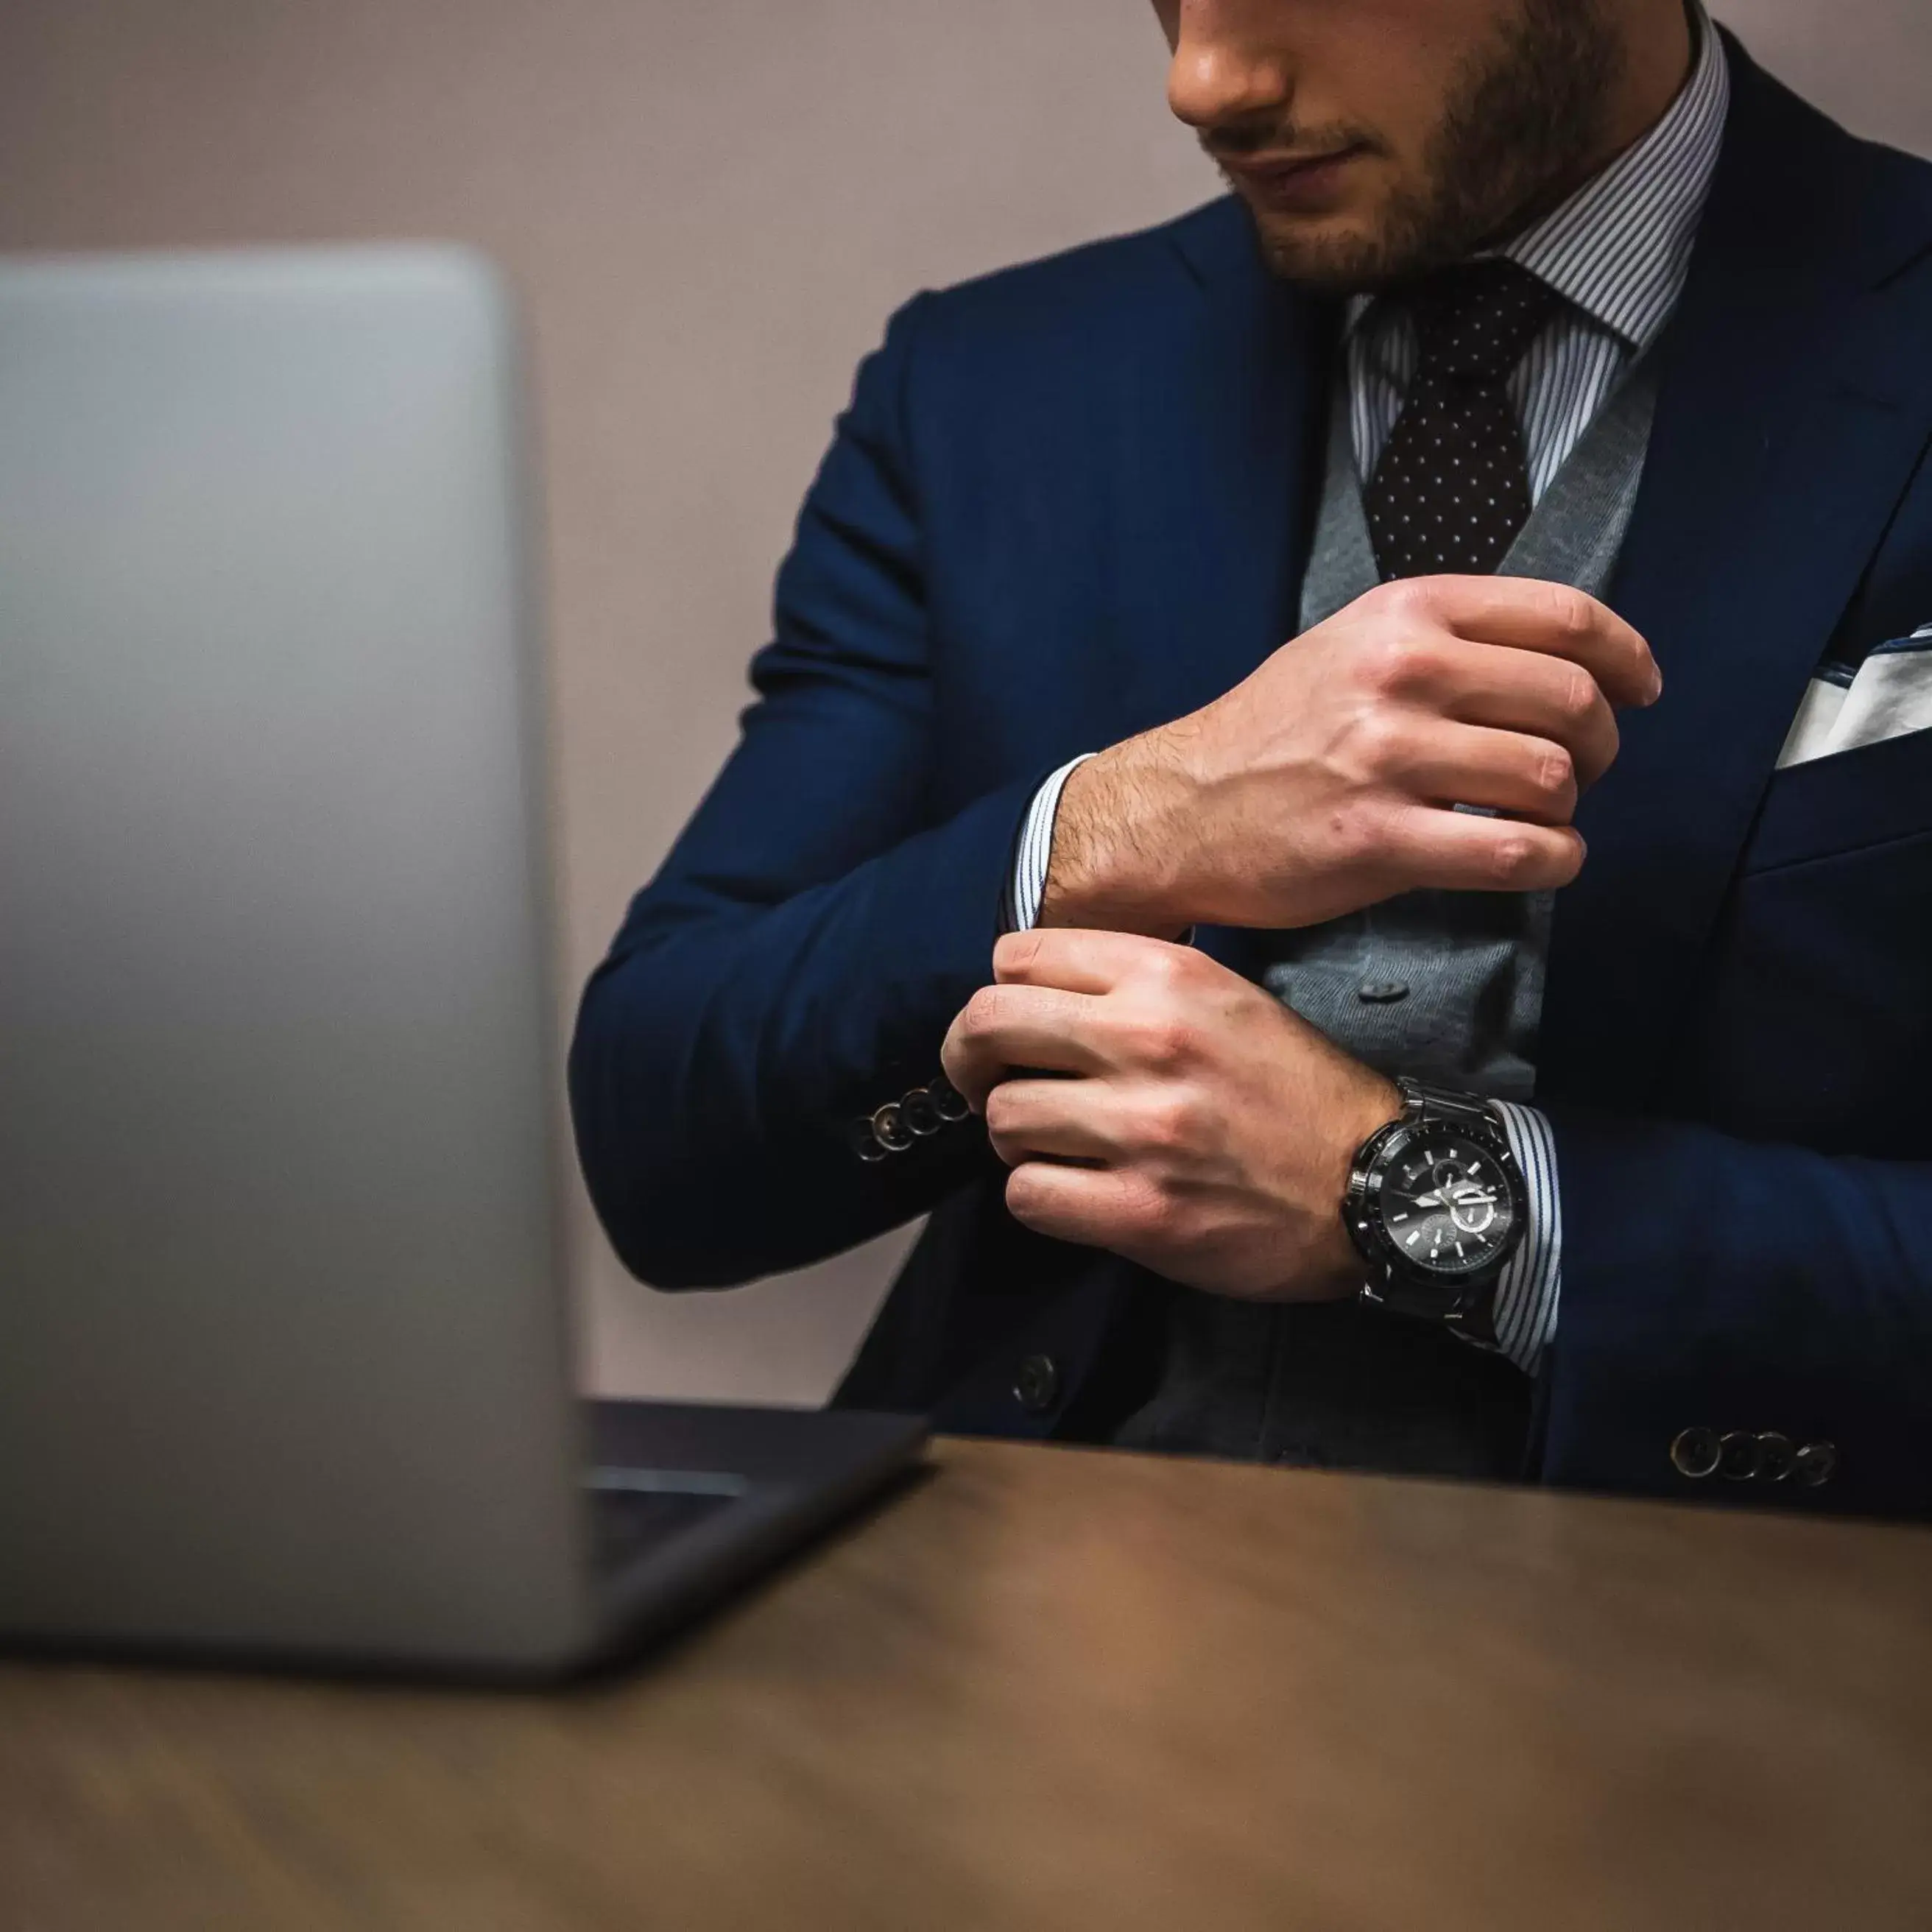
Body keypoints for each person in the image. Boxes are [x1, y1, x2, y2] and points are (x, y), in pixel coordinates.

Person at [570, 0, 1932, 1515]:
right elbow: (659, 1138)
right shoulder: (989, 391)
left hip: (1721, 1651)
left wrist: (1435, 1202)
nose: (1199, 80)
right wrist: (1104, 832)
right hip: (1018, 1595)